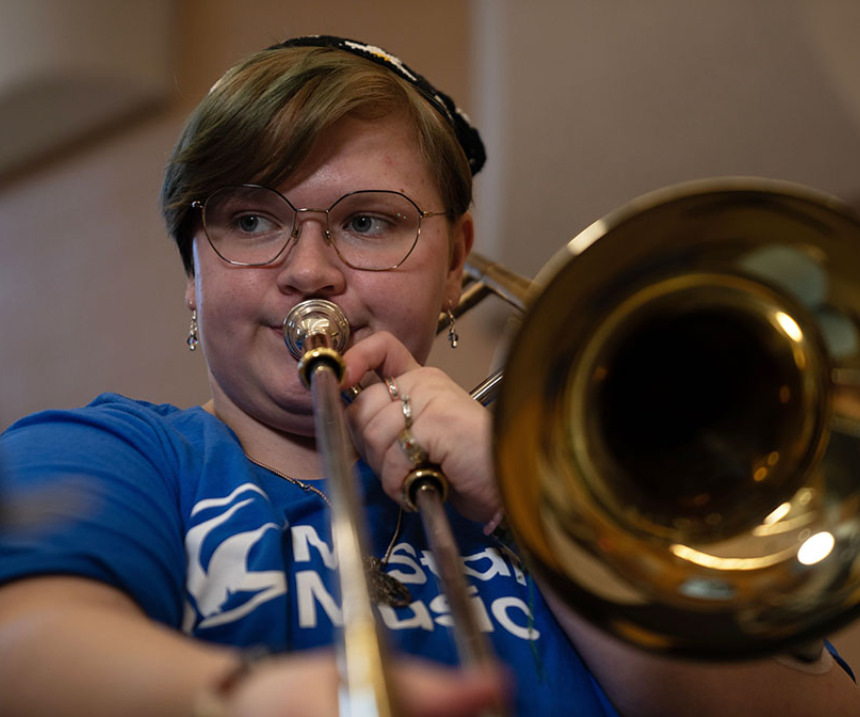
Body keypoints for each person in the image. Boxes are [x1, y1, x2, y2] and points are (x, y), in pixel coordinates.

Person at [0, 35, 856, 717]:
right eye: (251, 219)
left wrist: (535, 502)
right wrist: (250, 699)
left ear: (456, 264)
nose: (308, 268)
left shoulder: (610, 495)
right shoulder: (114, 453)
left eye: (367, 221)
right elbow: (22, 642)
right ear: (194, 275)